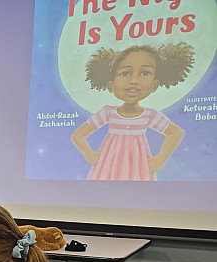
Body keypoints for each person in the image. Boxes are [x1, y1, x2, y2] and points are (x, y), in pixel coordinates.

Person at [70, 43, 193, 181]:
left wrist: (161, 159)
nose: (134, 81)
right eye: (125, 73)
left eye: (145, 73)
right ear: (111, 85)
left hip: (138, 167)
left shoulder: (149, 115)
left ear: (155, 85)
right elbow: (78, 135)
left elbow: (175, 133)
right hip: (108, 166)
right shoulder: (108, 112)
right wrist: (88, 154)